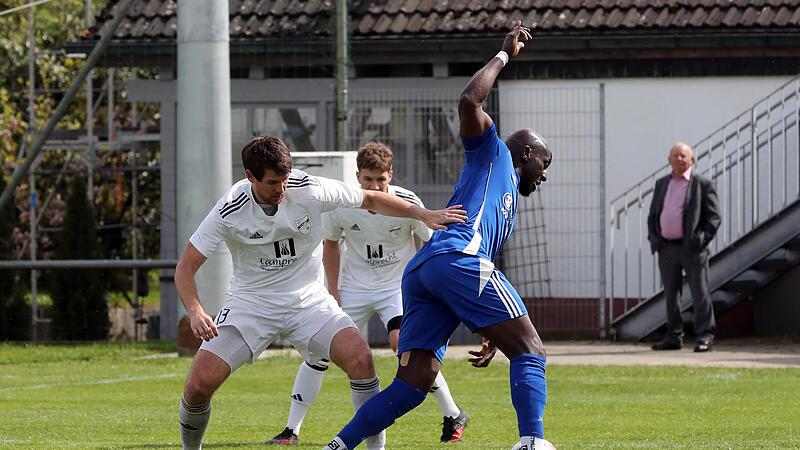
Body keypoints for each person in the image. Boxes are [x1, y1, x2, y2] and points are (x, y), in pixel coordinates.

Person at [324, 21, 556, 450]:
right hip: (454, 259)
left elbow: (478, 268)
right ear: (527, 154)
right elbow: (469, 99)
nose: (544, 175)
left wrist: (488, 325)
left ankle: (338, 446)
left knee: (416, 381)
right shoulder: (494, 151)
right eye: (545, 163)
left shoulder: (506, 202)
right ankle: (533, 442)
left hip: (429, 270)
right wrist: (504, 54)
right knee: (531, 351)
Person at [175, 135, 466, 450]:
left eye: (285, 180)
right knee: (198, 385)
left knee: (360, 360)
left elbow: (369, 199)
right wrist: (195, 310)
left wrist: (421, 214)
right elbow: (186, 267)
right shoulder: (231, 207)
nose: (282, 189)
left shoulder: (309, 188)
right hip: (251, 305)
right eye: (273, 182)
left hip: (308, 303)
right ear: (250, 177)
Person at [268, 142, 469, 446]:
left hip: (396, 289)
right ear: (357, 177)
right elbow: (331, 244)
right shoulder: (344, 205)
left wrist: (429, 288)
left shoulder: (408, 203)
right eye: (368, 180)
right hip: (354, 289)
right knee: (319, 351)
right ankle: (291, 429)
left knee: (406, 347)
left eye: (381, 180)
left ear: (391, 175)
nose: (374, 186)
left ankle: (452, 413)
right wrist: (332, 290)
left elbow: (430, 245)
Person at [647, 142, 721, 352]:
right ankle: (673, 336)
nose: (679, 159)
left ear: (691, 160)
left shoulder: (701, 183)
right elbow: (653, 215)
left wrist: (700, 240)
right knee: (671, 294)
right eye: (675, 156)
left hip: (693, 249)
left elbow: (714, 217)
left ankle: (705, 335)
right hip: (667, 248)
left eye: (683, 156)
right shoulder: (662, 183)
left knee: (700, 292)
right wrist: (655, 239)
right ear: (668, 160)